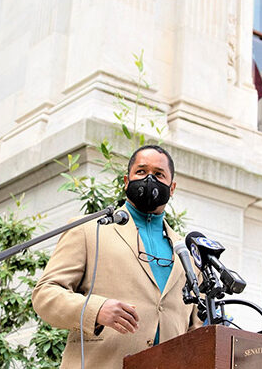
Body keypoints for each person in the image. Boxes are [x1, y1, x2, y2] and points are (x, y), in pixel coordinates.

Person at [32, 144, 202, 368]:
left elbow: (197, 330)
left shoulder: (188, 254)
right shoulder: (88, 229)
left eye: (159, 174)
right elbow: (44, 295)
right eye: (141, 172)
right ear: (126, 181)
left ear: (172, 188)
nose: (149, 179)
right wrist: (95, 310)